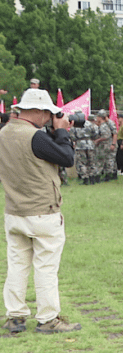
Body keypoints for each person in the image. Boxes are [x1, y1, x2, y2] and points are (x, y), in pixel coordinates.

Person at [0, 89, 81, 334]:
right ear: (37, 111)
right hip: (42, 211)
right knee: (45, 267)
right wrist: (63, 132)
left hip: (14, 210)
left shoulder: (4, 133)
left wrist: (54, 132)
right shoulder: (34, 136)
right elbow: (67, 158)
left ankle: (15, 316)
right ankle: (48, 319)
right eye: (47, 114)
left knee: (17, 265)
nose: (49, 118)